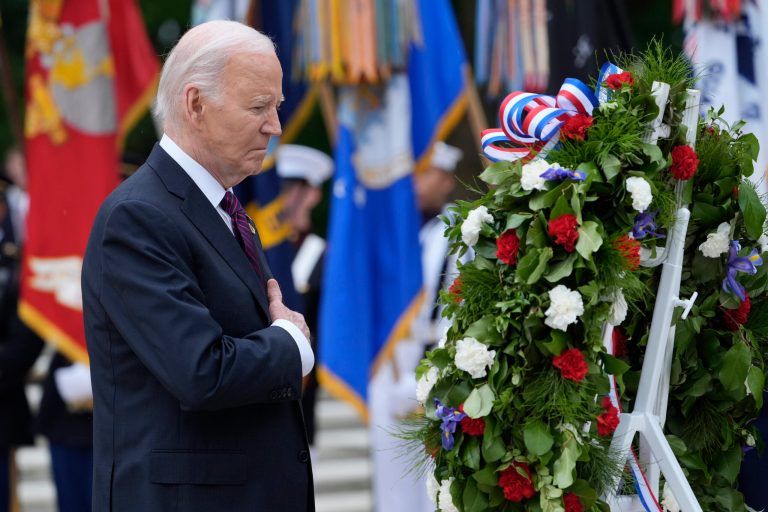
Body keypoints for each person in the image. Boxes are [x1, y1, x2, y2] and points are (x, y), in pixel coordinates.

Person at [82, 20, 315, 512]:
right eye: (258, 107)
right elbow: (201, 371)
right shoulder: (137, 217)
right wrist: (290, 343)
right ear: (195, 105)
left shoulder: (223, 207)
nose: (274, 125)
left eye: (276, 107)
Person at [369, 141, 463, 512]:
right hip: (388, 365)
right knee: (389, 479)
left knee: (430, 481)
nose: (415, 183)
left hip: (428, 367)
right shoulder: (395, 227)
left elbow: (452, 308)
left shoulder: (455, 230)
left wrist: (429, 371)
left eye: (426, 173)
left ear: (445, 180)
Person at [275, 144, 333, 451]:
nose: (280, 197)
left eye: (289, 189)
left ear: (311, 194)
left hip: (302, 399)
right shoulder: (262, 251)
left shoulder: (324, 257)